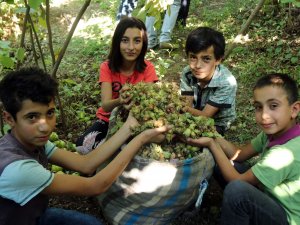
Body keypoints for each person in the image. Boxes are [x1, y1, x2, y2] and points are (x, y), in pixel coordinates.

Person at [0, 67, 170, 225]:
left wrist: (128, 127)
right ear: (9, 119)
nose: (45, 126)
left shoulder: (30, 140)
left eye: (50, 113)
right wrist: (141, 138)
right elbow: (95, 186)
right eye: (32, 117)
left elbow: (85, 164)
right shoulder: (17, 169)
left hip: (31, 215)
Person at [187, 73, 300, 225]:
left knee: (237, 191)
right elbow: (238, 154)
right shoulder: (273, 133)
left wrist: (212, 144)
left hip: (285, 218)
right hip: (268, 197)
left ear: (294, 109)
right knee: (223, 161)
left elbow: (237, 181)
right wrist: (212, 134)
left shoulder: (285, 154)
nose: (264, 115)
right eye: (258, 107)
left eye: (273, 106)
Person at [76, 17, 158, 154]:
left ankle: (116, 151)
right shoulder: (107, 67)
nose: (131, 47)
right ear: (117, 42)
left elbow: (148, 103)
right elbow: (106, 105)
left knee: (136, 148)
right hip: (108, 120)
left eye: (137, 41)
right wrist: (120, 100)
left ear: (143, 44)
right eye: (125, 40)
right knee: (83, 145)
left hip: (136, 120)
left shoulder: (148, 69)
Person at [180, 27, 237, 136]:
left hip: (217, 122)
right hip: (194, 113)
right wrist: (184, 110)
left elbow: (206, 116)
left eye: (206, 59)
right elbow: (187, 104)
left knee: (199, 137)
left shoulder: (227, 82)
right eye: (193, 57)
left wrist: (182, 108)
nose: (197, 65)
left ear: (218, 59)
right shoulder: (187, 73)